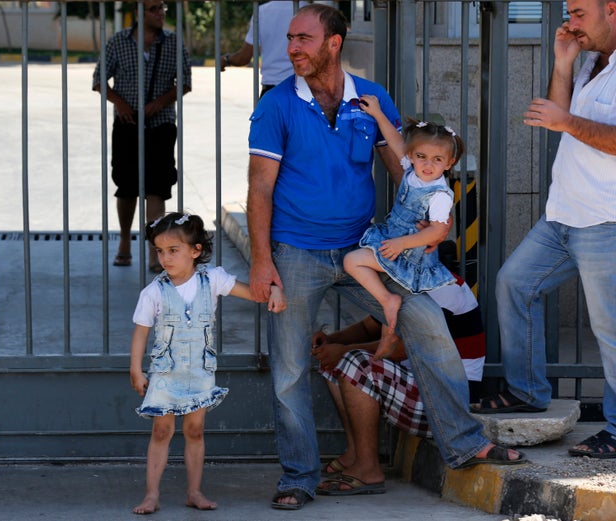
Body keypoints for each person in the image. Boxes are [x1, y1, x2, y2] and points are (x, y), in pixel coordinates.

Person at [246, 4, 524, 510]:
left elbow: (405, 167)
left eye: (303, 39)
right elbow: (260, 188)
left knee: (429, 326)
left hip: (370, 246)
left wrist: (425, 219)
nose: (292, 48)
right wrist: (262, 260)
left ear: (334, 42)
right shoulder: (276, 105)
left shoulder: (372, 99)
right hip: (296, 250)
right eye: (289, 38)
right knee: (288, 370)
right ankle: (299, 477)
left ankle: (463, 444)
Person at [472, 0, 616, 459]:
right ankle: (528, 391)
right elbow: (556, 117)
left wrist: (567, 121)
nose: (569, 22)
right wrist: (562, 63)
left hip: (605, 220)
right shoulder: (591, 60)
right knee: (515, 284)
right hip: (562, 215)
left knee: (610, 331)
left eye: (577, 12)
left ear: (611, 9)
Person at [129, 212, 285, 514]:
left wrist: (274, 288)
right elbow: (140, 332)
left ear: (195, 250)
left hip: (199, 373)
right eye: (160, 251)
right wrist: (135, 369)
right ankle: (151, 494)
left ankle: (194, 491)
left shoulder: (212, 279)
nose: (165, 258)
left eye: (173, 251)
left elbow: (252, 292)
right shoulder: (153, 293)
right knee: (161, 431)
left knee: (196, 430)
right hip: (165, 374)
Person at [313, 252, 486, 495]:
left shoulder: (444, 289)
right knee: (334, 362)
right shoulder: (407, 283)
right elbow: (367, 328)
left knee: (354, 362)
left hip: (450, 404)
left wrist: (342, 350)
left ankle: (368, 468)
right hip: (421, 388)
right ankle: (355, 452)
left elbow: (399, 349)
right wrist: (331, 340)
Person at [344, 98, 464, 358]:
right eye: (421, 157)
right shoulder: (412, 170)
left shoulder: (440, 194)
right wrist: (377, 113)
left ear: (449, 163)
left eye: (437, 159)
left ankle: (388, 303)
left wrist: (401, 244)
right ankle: (389, 331)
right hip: (393, 241)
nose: (427, 165)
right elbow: (396, 141)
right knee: (360, 266)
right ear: (412, 156)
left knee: (352, 261)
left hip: (408, 253)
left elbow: (436, 232)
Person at [92, 0, 192, 270]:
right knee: (126, 186)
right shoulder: (118, 42)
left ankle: (154, 250)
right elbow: (99, 80)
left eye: (162, 8)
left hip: (161, 125)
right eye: (154, 9)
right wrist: (120, 103)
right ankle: (125, 239)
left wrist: (159, 103)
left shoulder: (173, 43)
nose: (160, 13)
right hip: (127, 125)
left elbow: (184, 82)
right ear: (138, 13)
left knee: (157, 187)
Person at [219, 1, 306, 97]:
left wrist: (226, 59)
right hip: (303, 89)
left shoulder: (262, 12)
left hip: (271, 89)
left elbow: (243, 58)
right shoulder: (309, 12)